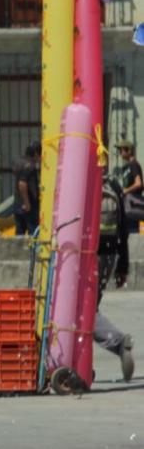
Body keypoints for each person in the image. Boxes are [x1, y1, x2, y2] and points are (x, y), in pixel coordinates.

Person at [95, 170, 134, 381]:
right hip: (109, 256)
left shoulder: (80, 177)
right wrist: (122, 267)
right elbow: (124, 229)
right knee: (87, 308)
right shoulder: (113, 184)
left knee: (80, 312)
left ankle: (117, 342)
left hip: (85, 255)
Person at [115, 139, 142, 287]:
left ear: (129, 150)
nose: (120, 153)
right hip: (128, 208)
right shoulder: (127, 166)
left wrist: (125, 191)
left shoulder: (133, 165)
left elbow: (139, 183)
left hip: (134, 207)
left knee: (135, 232)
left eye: (122, 150)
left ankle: (122, 273)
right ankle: (122, 273)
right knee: (123, 237)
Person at [13, 142, 42, 236]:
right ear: (36, 153)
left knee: (19, 234)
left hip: (18, 205)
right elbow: (22, 183)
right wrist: (27, 203)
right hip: (29, 206)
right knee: (33, 234)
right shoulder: (30, 166)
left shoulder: (19, 162)